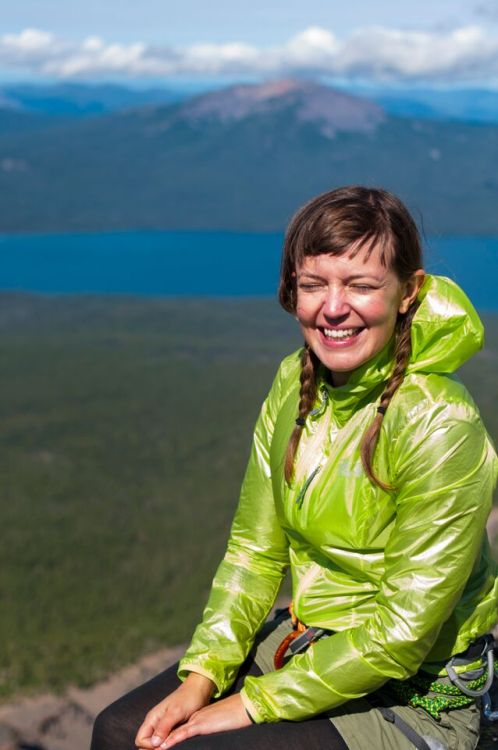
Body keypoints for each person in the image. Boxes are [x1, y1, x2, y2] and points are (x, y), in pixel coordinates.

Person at [91, 186, 498, 750]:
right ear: (293, 292)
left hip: (415, 688)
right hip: (307, 645)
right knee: (117, 732)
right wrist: (203, 675)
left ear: (409, 292)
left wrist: (253, 702)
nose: (333, 308)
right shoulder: (294, 384)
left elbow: (403, 633)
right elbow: (254, 554)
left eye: (361, 285)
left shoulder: (440, 423)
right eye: (314, 285)